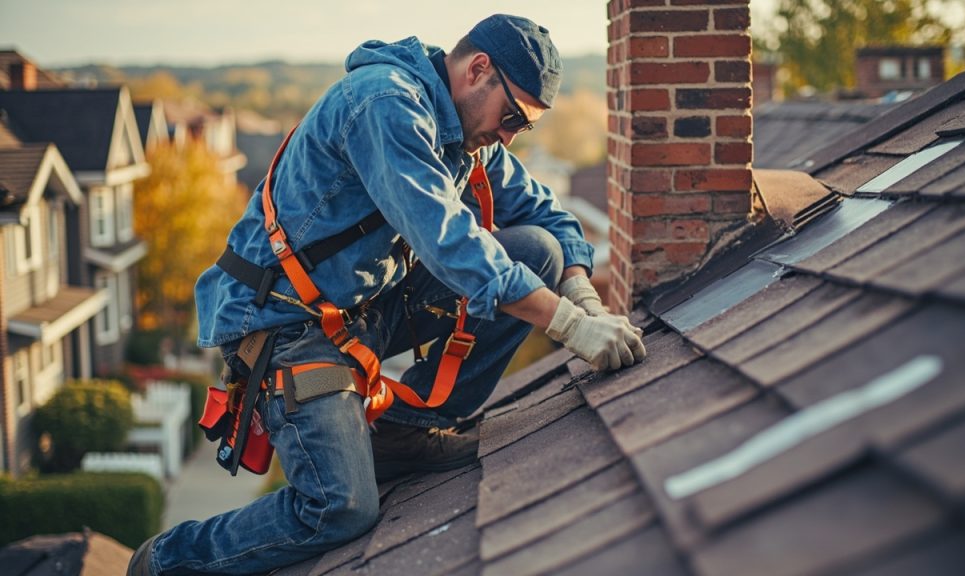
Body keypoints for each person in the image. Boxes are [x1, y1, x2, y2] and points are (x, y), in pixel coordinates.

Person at [129, 13, 645, 575]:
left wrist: (582, 295)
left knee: (538, 251)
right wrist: (569, 326)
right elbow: (451, 242)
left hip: (362, 309)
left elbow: (544, 212)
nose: (509, 136)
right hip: (285, 326)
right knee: (339, 508)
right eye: (512, 117)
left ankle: (406, 435)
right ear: (478, 70)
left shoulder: (465, 134)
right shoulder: (385, 104)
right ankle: (165, 560)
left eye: (523, 126)